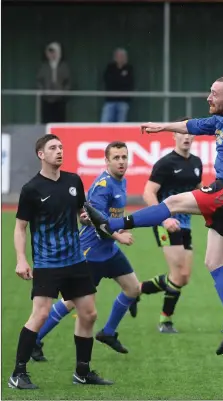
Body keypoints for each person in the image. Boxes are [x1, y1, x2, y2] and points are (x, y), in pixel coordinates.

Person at [84, 75, 223, 355]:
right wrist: (163, 127)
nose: (209, 97)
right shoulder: (221, 120)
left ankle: (112, 224)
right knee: (213, 261)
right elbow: (193, 125)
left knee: (171, 201)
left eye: (214, 93)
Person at [8, 134, 112, 390]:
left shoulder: (73, 180)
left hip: (75, 261)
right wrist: (21, 260)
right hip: (47, 262)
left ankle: (82, 372)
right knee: (40, 314)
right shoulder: (31, 189)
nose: (59, 151)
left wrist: (85, 218)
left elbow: (79, 212)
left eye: (61, 147)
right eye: (53, 148)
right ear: (41, 155)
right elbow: (20, 228)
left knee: (89, 314)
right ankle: (17, 373)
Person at [30, 141, 140, 362]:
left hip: (109, 250)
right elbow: (97, 222)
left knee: (133, 289)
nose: (121, 161)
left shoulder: (122, 180)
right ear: (106, 161)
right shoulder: (102, 187)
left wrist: (116, 237)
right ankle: (34, 340)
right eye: (116, 158)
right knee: (70, 302)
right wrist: (119, 235)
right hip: (90, 253)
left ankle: (108, 332)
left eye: (124, 157)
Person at [130, 118, 203, 333]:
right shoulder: (165, 163)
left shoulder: (197, 163)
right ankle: (165, 321)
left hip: (185, 226)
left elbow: (200, 190)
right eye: (183, 133)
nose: (187, 136)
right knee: (177, 273)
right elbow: (147, 193)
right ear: (175, 135)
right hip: (165, 225)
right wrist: (163, 217)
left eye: (190, 133)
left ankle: (136, 290)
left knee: (184, 277)